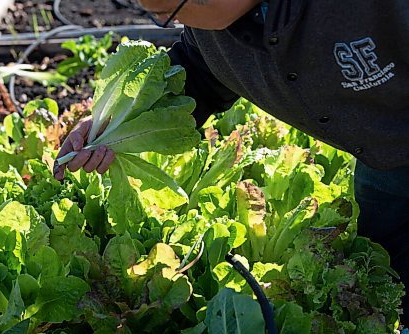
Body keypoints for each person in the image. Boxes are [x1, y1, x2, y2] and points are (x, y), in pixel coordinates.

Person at [54, 0, 409, 325]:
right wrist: (117, 123)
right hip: (383, 158)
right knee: (391, 265)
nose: (166, 20)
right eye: (154, 12)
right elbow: (198, 73)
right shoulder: (215, 34)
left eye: (170, 7)